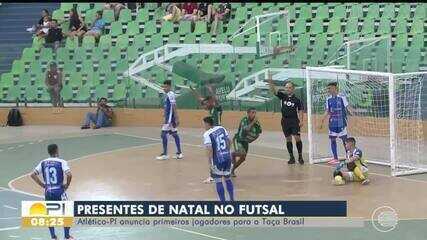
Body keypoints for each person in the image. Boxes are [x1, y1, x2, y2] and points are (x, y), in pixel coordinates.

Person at [29, 144, 74, 240]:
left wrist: (43, 185)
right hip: (59, 191)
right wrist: (67, 185)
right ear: (57, 150)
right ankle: (67, 236)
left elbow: (32, 175)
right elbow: (69, 175)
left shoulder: (43, 162)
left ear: (48, 152)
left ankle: (53, 237)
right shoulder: (62, 162)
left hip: (48, 192)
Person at [268, 74, 305, 164]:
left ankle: (300, 156)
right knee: (288, 139)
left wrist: (301, 120)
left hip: (294, 120)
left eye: (289, 87)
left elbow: (300, 110)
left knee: (297, 137)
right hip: (285, 121)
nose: (287, 89)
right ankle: (291, 157)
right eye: (286, 87)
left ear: (293, 89)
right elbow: (274, 91)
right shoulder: (283, 96)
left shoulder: (297, 100)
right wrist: (271, 82)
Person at [190, 85, 223, 183]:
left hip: (216, 132)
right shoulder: (211, 109)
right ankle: (219, 172)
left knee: (211, 155)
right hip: (216, 132)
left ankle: (213, 176)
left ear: (211, 102)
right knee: (215, 155)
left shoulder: (217, 108)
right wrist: (194, 91)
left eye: (207, 103)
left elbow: (215, 100)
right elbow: (201, 99)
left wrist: (211, 90)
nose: (204, 105)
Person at [319, 82, 353, 165]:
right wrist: (322, 119)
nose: (328, 90)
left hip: (341, 122)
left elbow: (347, 106)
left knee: (344, 140)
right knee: (332, 140)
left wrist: (351, 112)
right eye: (328, 88)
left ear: (334, 88)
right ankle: (335, 158)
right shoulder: (328, 99)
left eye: (329, 88)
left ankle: (348, 157)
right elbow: (327, 110)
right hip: (332, 122)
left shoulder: (342, 97)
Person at [202, 116, 234, 202]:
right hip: (227, 157)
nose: (204, 126)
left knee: (218, 181)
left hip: (218, 160)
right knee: (228, 178)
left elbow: (209, 149)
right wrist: (227, 151)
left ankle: (223, 204)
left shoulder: (207, 134)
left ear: (207, 124)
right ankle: (232, 200)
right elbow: (230, 141)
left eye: (204, 124)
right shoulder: (221, 128)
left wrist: (210, 163)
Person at [156, 80, 183, 160]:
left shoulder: (170, 94)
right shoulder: (167, 94)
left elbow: (174, 106)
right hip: (169, 118)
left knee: (163, 134)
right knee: (174, 134)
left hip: (170, 119)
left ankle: (165, 154)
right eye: (163, 87)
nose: (164, 88)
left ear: (169, 87)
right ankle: (179, 153)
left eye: (165, 87)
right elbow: (168, 107)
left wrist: (177, 118)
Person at [231, 107, 262, 177]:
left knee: (243, 158)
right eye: (252, 112)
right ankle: (233, 154)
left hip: (245, 142)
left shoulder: (256, 123)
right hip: (238, 139)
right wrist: (253, 122)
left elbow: (259, 132)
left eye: (255, 113)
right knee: (242, 153)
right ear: (248, 113)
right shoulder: (244, 120)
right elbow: (246, 129)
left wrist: (252, 138)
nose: (254, 114)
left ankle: (232, 170)